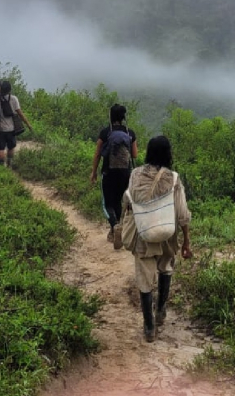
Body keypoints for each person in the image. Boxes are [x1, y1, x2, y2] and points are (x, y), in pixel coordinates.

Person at [120, 135, 192, 342]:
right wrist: (186, 241)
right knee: (166, 267)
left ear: (149, 152)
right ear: (169, 154)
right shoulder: (174, 178)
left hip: (143, 234)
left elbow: (128, 200)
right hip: (167, 235)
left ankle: (149, 327)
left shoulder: (135, 174)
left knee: (144, 279)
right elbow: (182, 213)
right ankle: (161, 311)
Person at [89, 104, 138, 249]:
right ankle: (117, 229)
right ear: (123, 117)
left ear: (110, 116)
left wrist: (93, 172)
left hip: (108, 172)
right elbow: (134, 154)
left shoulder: (105, 133)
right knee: (119, 201)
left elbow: (98, 154)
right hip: (125, 173)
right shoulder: (130, 133)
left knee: (108, 203)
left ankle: (115, 226)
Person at [0, 80, 32, 167]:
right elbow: (20, 113)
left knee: (0, 149)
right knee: (11, 147)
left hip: (0, 129)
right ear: (9, 90)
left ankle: (0, 167)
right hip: (11, 129)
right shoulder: (14, 99)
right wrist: (28, 124)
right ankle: (9, 164)